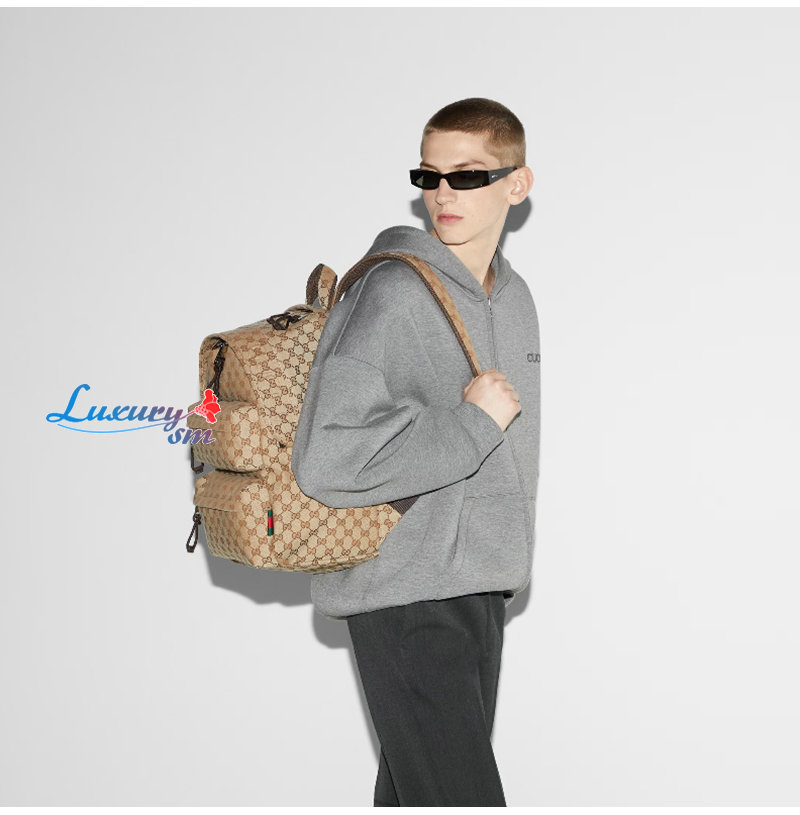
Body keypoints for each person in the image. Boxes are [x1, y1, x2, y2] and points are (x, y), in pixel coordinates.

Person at [291, 97, 540, 806]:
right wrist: (470, 425)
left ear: (517, 184)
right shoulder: (392, 293)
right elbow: (326, 458)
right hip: (403, 590)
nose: (443, 194)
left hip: (480, 583)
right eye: (429, 176)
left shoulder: (515, 300)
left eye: (468, 175)